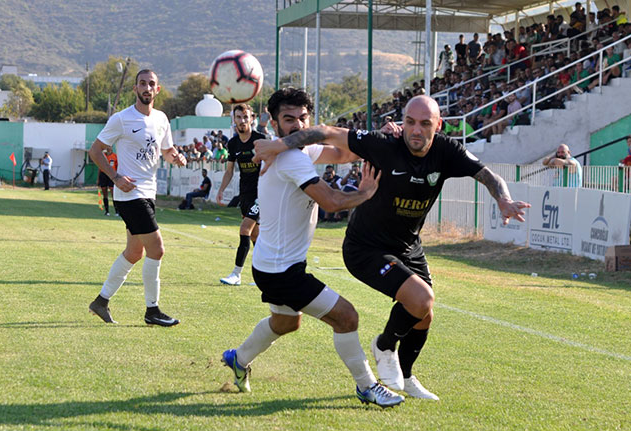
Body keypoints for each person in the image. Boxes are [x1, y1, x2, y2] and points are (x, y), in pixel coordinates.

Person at [253, 95, 530, 401]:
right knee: (411, 301)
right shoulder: (384, 146)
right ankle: (383, 348)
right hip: (366, 247)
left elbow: (488, 175)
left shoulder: (447, 151)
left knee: (423, 314)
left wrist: (503, 198)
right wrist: (280, 145)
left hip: (407, 245)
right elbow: (326, 133)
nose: (416, 130)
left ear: (437, 126)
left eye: (425, 124)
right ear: (403, 121)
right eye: (410, 121)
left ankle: (407, 378)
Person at [221, 87, 404, 408]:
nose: (296, 125)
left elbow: (343, 153)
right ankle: (367, 387)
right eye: (288, 119)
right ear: (273, 123)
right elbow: (332, 202)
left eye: (303, 119)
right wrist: (365, 193)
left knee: (286, 323)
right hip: (281, 271)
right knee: (347, 317)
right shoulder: (290, 158)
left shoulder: (298, 151)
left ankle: (239, 359)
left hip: (271, 264)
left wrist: (381, 138)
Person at [87, 69, 187, 326]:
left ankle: (101, 301)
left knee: (134, 253)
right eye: (142, 83)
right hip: (129, 195)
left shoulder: (162, 119)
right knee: (157, 249)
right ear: (135, 89)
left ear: (158, 89)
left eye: (151, 84)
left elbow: (166, 150)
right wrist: (115, 177)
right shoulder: (121, 119)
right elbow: (95, 151)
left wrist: (176, 156)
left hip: (148, 192)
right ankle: (152, 311)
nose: (146, 88)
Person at [215, 104, 265, 286]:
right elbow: (229, 171)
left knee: (245, 230)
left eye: (246, 117)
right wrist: (221, 190)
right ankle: (268, 275)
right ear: (233, 120)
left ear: (252, 118)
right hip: (245, 194)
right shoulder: (233, 143)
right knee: (255, 237)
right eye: (238, 117)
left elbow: (271, 166)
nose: (242, 121)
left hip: (262, 195)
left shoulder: (261, 140)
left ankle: (236, 274)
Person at [98, 148, 119, 216]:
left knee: (113, 192)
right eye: (107, 147)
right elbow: (99, 167)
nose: (108, 149)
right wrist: (98, 178)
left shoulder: (115, 156)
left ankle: (117, 211)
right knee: (104, 192)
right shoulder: (102, 156)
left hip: (112, 175)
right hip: (103, 175)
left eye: (109, 147)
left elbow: (117, 167)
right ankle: (107, 211)